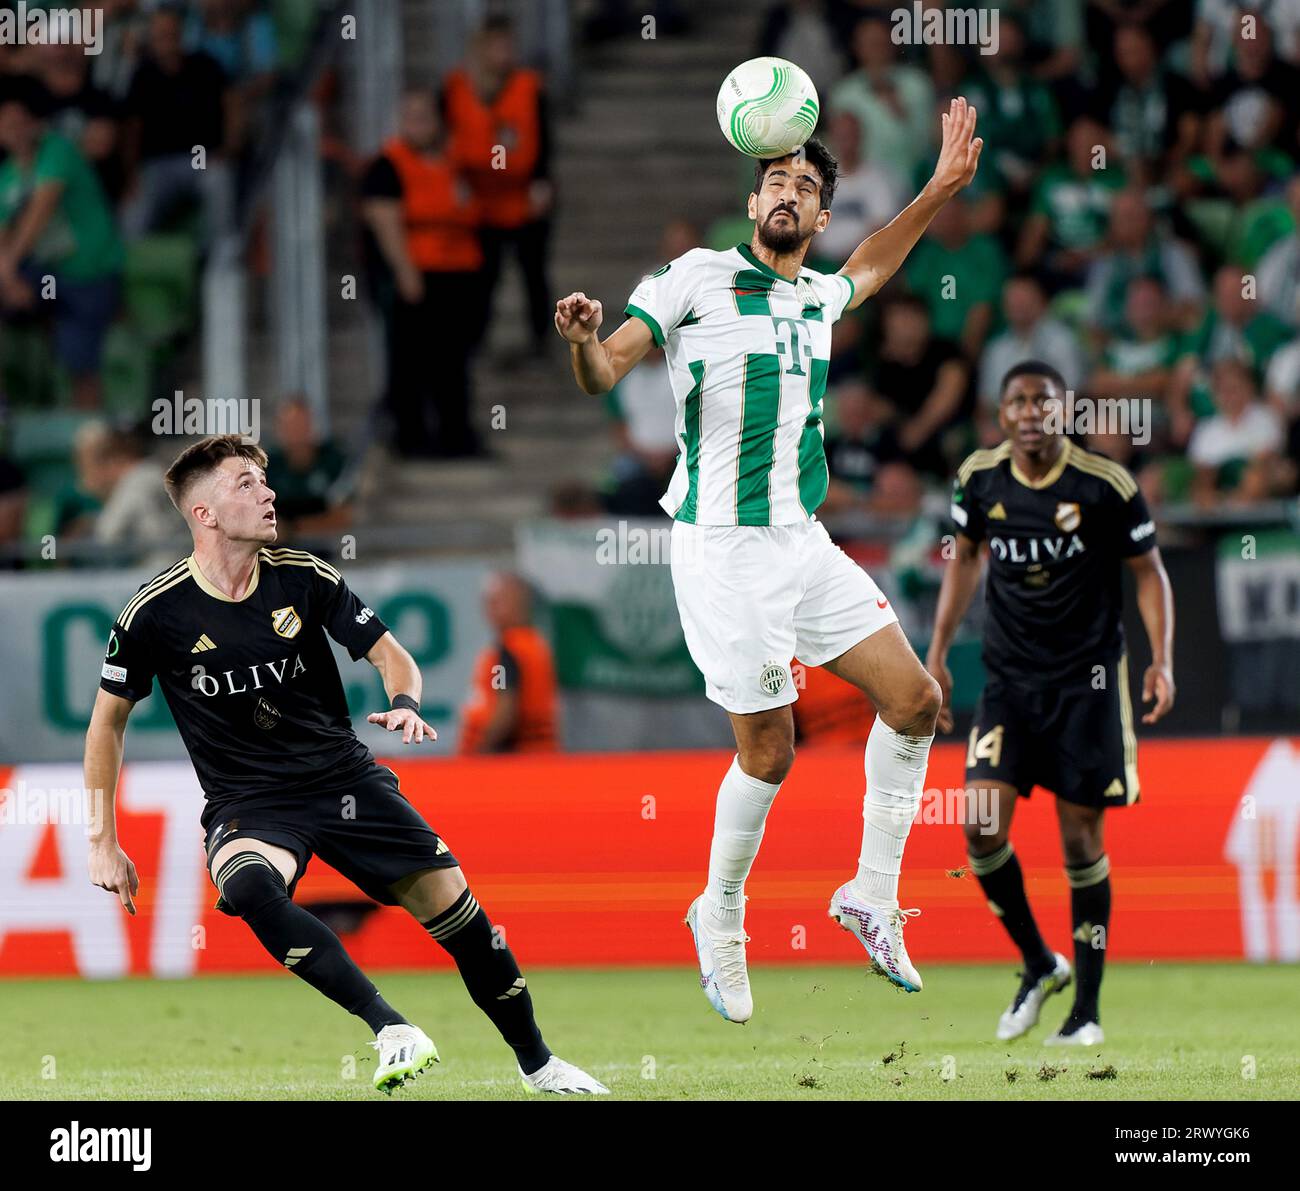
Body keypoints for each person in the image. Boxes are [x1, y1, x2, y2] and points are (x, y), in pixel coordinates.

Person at [555, 98, 984, 1022]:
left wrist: (940, 188)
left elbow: (872, 267)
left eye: (805, 186)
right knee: (771, 748)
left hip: (802, 538)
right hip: (724, 547)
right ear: (753, 201)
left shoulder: (815, 294)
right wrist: (587, 338)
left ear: (822, 216)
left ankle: (870, 893)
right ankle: (719, 912)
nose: (788, 194)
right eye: (776, 181)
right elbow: (606, 371)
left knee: (915, 701)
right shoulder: (694, 277)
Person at [84, 434, 606, 1094]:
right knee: (247, 887)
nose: (268, 492)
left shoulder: (305, 576)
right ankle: (391, 1027)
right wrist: (103, 840)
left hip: (345, 782)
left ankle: (540, 1063)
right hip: (252, 803)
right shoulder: (153, 611)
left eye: (265, 480)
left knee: (466, 922)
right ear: (204, 514)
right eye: (246, 483)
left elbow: (391, 655)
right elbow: (106, 724)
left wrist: (406, 700)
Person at [926, 360, 1176, 1047]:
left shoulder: (1104, 485)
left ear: (1065, 411)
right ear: (1000, 413)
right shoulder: (980, 478)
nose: (1031, 410)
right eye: (1017, 400)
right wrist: (938, 653)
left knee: (1079, 839)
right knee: (979, 824)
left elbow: (1148, 573)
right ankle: (1040, 962)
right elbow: (965, 559)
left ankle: (1085, 1012)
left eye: (1043, 399)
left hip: (1087, 683)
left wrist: (1162, 659)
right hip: (1009, 682)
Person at [359, 87, 482, 457]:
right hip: (416, 277)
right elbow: (383, 220)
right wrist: (405, 271)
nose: (419, 124)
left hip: (457, 275)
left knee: (453, 361)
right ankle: (411, 438)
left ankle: (455, 436)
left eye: (425, 116)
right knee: (410, 360)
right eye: (411, 116)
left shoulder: (452, 162)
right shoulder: (388, 164)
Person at [0, 80, 124, 410]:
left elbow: (41, 208)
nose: (12, 129)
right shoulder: (6, 174)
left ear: (33, 123)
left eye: (18, 121)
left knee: (80, 367)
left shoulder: (57, 150)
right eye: (4, 123)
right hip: (46, 277)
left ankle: (93, 434)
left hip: (89, 272)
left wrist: (8, 268)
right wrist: (8, 276)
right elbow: (2, 232)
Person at [443, 14, 553, 360]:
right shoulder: (456, 89)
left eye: (508, 46)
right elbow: (444, 137)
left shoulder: (528, 86)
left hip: (522, 197)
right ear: (479, 49)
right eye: (495, 46)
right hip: (480, 201)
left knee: (533, 272)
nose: (502, 53)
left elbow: (544, 137)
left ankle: (540, 340)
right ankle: (475, 342)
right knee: (482, 278)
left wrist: (542, 181)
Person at [459, 572, 558, 755]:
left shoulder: (508, 653)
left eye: (496, 603)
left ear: (519, 604)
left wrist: (482, 750)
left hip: (512, 760)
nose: (489, 611)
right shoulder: (535, 645)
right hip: (538, 756)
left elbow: (505, 707)